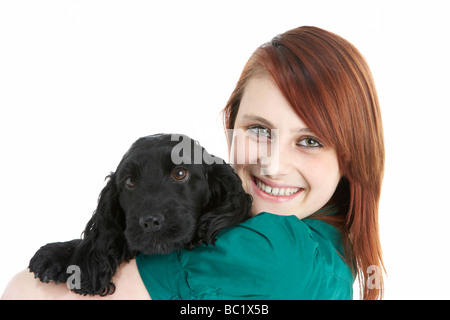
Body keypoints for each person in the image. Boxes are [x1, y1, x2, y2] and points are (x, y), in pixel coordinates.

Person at [2, 26, 384, 300]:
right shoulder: (332, 243)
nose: (273, 165)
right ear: (231, 128)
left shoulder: (279, 254)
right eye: (260, 131)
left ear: (352, 156)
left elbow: (23, 293)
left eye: (311, 141)